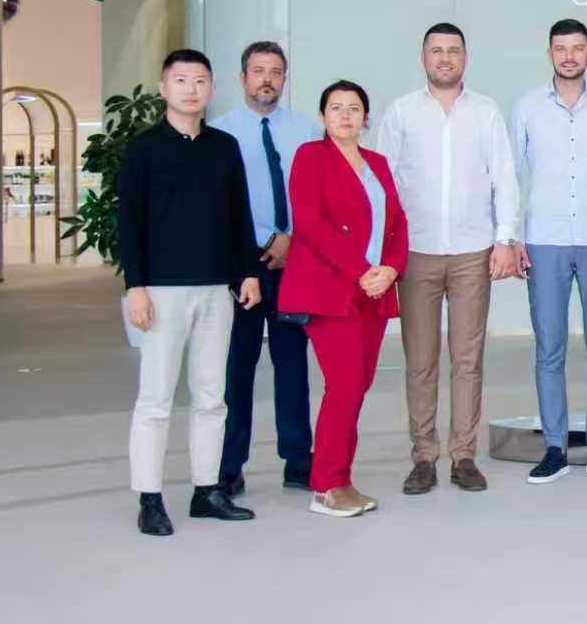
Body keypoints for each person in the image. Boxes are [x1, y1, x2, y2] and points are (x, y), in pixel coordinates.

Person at [373, 23, 520, 495]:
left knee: (467, 359)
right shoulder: (402, 112)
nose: (444, 58)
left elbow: (504, 176)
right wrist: (384, 249)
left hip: (472, 251)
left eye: (453, 50)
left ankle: (463, 455)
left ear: (465, 57)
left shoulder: (486, 111)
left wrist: (504, 238)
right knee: (420, 360)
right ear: (423, 58)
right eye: (436, 50)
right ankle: (423, 456)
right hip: (415, 252)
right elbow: (382, 181)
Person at [119, 48, 261, 536]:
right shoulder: (143, 150)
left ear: (212, 88)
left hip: (216, 289)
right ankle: (150, 498)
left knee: (211, 397)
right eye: (180, 80)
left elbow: (239, 215)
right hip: (161, 291)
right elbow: (129, 222)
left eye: (200, 80)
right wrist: (135, 287)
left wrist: (247, 272)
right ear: (163, 88)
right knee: (156, 399)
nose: (191, 89)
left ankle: (206, 491)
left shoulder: (224, 147)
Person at [280, 81, 407, 518]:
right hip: (332, 291)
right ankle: (327, 485)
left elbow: (397, 222)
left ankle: (342, 478)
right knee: (345, 385)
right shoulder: (310, 157)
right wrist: (362, 271)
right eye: (336, 108)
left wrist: (391, 269)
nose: (345, 116)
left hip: (373, 293)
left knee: (358, 386)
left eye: (354, 109)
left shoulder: (377, 163)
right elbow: (311, 224)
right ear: (322, 116)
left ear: (365, 119)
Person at [511, 19, 587, 486]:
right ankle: (554, 448)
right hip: (544, 240)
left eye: (577, 48)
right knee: (549, 349)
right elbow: (509, 175)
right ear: (550, 54)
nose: (569, 57)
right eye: (561, 49)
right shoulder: (526, 107)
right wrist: (511, 236)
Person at [211, 40, 319, 497]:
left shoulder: (307, 130)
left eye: (275, 71)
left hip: (294, 264)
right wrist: (261, 240)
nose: (267, 80)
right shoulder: (220, 134)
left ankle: (298, 460)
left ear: (284, 79)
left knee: (292, 365)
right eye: (258, 71)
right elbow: (218, 202)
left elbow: (318, 194)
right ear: (243, 78)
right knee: (237, 367)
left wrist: (291, 240)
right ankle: (229, 465)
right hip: (242, 265)